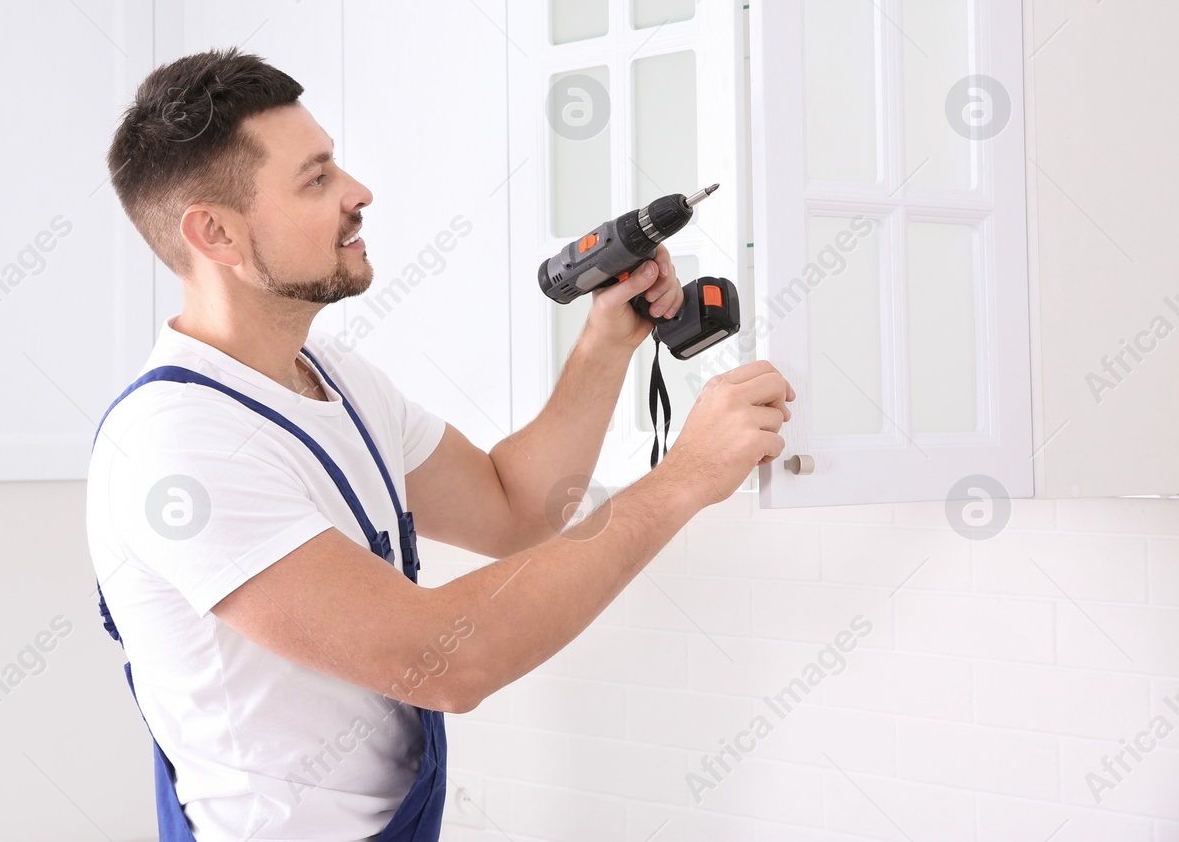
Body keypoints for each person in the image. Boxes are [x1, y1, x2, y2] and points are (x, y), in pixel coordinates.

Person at [85, 47, 794, 842]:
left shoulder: (331, 377)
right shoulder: (179, 449)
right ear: (214, 231)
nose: (359, 192)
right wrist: (685, 477)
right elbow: (442, 660)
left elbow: (512, 506)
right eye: (316, 178)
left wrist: (604, 342)